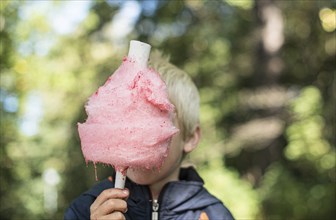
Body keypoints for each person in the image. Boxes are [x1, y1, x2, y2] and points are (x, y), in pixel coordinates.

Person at [64, 51, 234, 220]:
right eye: (128, 120)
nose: (135, 136)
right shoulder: (86, 209)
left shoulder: (213, 215)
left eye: (157, 117)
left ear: (190, 138)